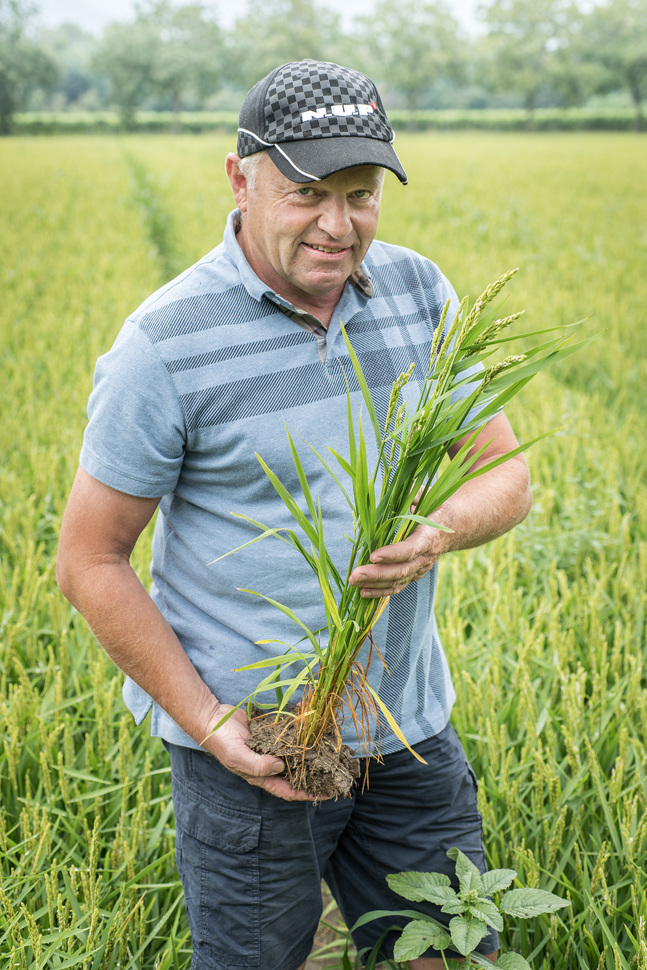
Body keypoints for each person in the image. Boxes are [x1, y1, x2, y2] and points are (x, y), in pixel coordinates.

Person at [57, 59, 532, 970]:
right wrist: (209, 725)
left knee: (451, 953)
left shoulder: (418, 292)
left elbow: (501, 473)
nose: (338, 224)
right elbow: (90, 562)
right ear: (240, 179)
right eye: (309, 193)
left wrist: (439, 533)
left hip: (406, 726)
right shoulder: (163, 345)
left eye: (360, 195)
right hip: (259, 745)